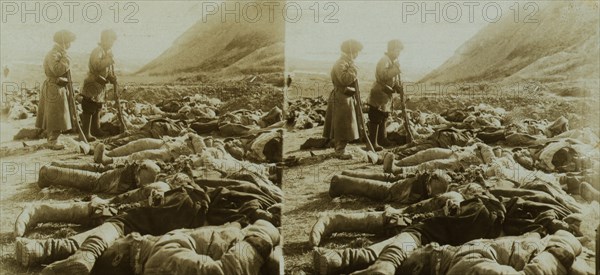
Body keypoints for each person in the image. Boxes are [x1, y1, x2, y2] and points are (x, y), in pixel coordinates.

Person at [35, 30, 77, 150]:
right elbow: (57, 70)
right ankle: (52, 140)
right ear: (65, 42)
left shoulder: (59, 53)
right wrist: (66, 58)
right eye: (69, 42)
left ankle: (54, 138)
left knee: (58, 113)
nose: (70, 45)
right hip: (54, 87)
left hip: (58, 87)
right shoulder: (54, 54)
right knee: (55, 114)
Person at [323, 39, 363, 160]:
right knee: (342, 125)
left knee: (345, 124)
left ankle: (341, 148)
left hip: (345, 97)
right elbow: (345, 80)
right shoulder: (341, 63)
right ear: (351, 51)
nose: (357, 55)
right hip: (341, 98)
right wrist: (353, 68)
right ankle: (340, 151)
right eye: (357, 52)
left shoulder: (346, 62)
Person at [80, 29, 117, 141]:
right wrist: (109, 60)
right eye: (110, 41)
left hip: (99, 84)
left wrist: (111, 77)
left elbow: (105, 70)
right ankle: (85, 133)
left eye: (113, 42)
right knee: (89, 107)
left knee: (97, 107)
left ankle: (95, 129)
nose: (111, 44)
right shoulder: (98, 51)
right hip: (92, 83)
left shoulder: (105, 53)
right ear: (104, 40)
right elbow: (96, 65)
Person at [367, 40, 404, 151]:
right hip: (379, 93)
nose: (398, 54)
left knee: (383, 117)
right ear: (391, 50)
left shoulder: (391, 61)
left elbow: (391, 79)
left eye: (399, 51)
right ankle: (372, 143)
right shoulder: (384, 60)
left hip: (385, 94)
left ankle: (382, 139)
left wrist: (397, 87)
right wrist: (396, 69)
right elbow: (383, 75)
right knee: (376, 117)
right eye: (397, 51)